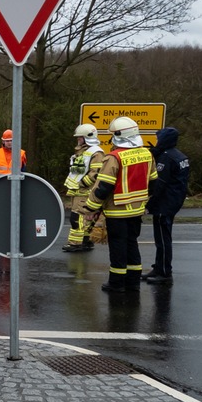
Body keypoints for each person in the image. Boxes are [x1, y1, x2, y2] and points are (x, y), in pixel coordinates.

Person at [80, 116, 158, 294]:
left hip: (117, 212)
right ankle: (133, 282)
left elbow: (103, 188)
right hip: (137, 211)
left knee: (117, 248)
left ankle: (116, 283)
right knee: (132, 244)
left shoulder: (113, 158)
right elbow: (153, 183)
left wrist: (90, 209)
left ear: (118, 135)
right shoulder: (147, 154)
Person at [144, 127, 190, 284]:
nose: (156, 141)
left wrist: (149, 204)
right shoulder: (180, 156)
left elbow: (159, 185)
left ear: (164, 139)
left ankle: (164, 273)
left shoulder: (166, 158)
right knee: (163, 238)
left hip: (165, 203)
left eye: (159, 138)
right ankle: (158, 267)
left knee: (162, 240)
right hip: (174, 201)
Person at [61, 123, 106, 252]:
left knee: (77, 218)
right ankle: (86, 241)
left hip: (85, 192)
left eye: (80, 137)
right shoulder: (83, 152)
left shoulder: (96, 153)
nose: (78, 140)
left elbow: (95, 173)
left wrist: (81, 184)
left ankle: (75, 243)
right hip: (79, 191)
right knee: (84, 218)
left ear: (87, 138)